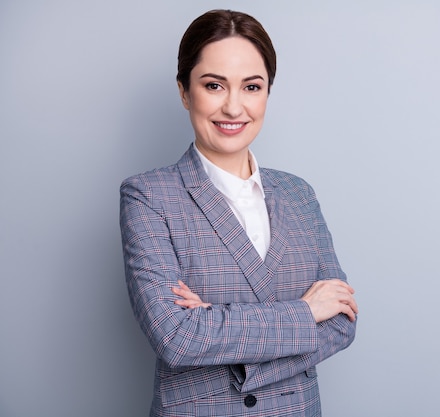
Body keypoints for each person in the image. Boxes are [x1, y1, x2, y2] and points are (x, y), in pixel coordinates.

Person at [119, 9, 358, 417]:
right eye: (214, 85)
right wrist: (304, 312)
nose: (234, 107)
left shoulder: (298, 194)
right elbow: (176, 338)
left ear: (267, 92)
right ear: (184, 91)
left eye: (251, 86)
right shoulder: (149, 196)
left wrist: (215, 322)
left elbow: (341, 322)